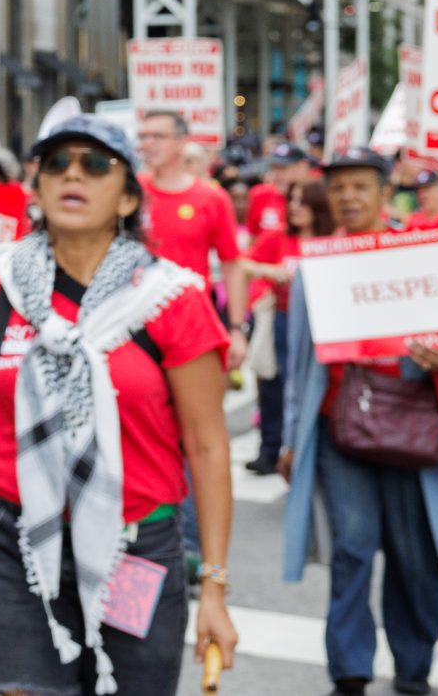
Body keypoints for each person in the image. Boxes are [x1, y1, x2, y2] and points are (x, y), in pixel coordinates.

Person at [0, 114, 238, 696]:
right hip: (11, 544)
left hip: (136, 545)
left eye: (95, 164)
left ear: (126, 196)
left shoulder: (171, 299)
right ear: (37, 188)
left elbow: (208, 445)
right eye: (57, 163)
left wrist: (214, 586)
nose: (75, 174)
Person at [280, 148, 438, 696]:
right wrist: (291, 435)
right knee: (351, 550)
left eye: (359, 187)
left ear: (385, 193)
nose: (347, 197)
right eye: (337, 187)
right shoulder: (314, 265)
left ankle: (413, 669)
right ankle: (349, 672)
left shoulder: (422, 254)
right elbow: (299, 359)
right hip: (340, 432)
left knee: (416, 557)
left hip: (416, 427)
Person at [135, 111, 247, 374]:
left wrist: (237, 329)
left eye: (158, 136)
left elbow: (232, 265)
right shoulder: (130, 192)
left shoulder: (212, 198)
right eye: (143, 136)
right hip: (135, 319)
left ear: (181, 142)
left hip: (191, 322)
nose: (148, 143)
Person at [238, 179, 332, 476]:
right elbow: (242, 263)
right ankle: (270, 449)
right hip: (282, 318)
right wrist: (270, 272)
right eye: (291, 200)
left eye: (302, 201)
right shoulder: (277, 237)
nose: (293, 207)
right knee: (272, 386)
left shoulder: (332, 239)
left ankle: (308, 446)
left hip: (321, 324)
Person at [246, 144, 310, 238]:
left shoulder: (314, 197)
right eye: (274, 168)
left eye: (283, 168)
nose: (277, 174)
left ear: (302, 167)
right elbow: (253, 238)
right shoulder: (260, 194)